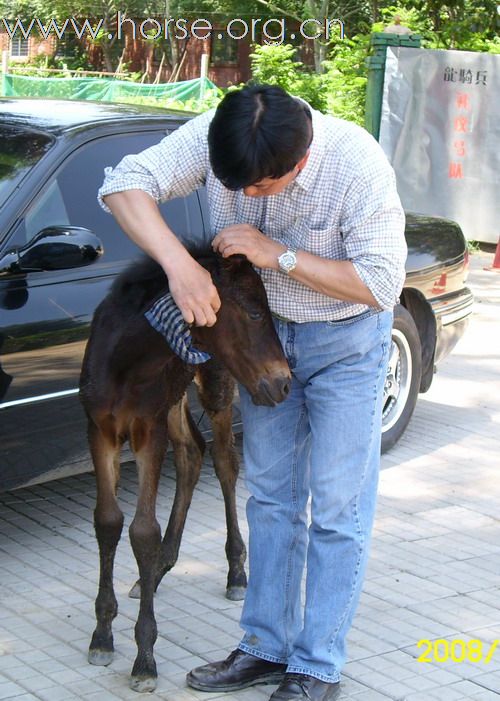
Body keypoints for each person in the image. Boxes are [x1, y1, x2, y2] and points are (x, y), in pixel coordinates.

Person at [98, 84, 407, 701]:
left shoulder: (356, 163)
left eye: (259, 188)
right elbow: (122, 185)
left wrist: (278, 255)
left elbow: (380, 281)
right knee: (269, 497)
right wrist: (180, 268)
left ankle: (317, 665)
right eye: (229, 185)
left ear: (299, 161)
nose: (240, 198)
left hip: (342, 343)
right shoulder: (223, 135)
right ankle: (265, 647)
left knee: (338, 509)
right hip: (259, 344)